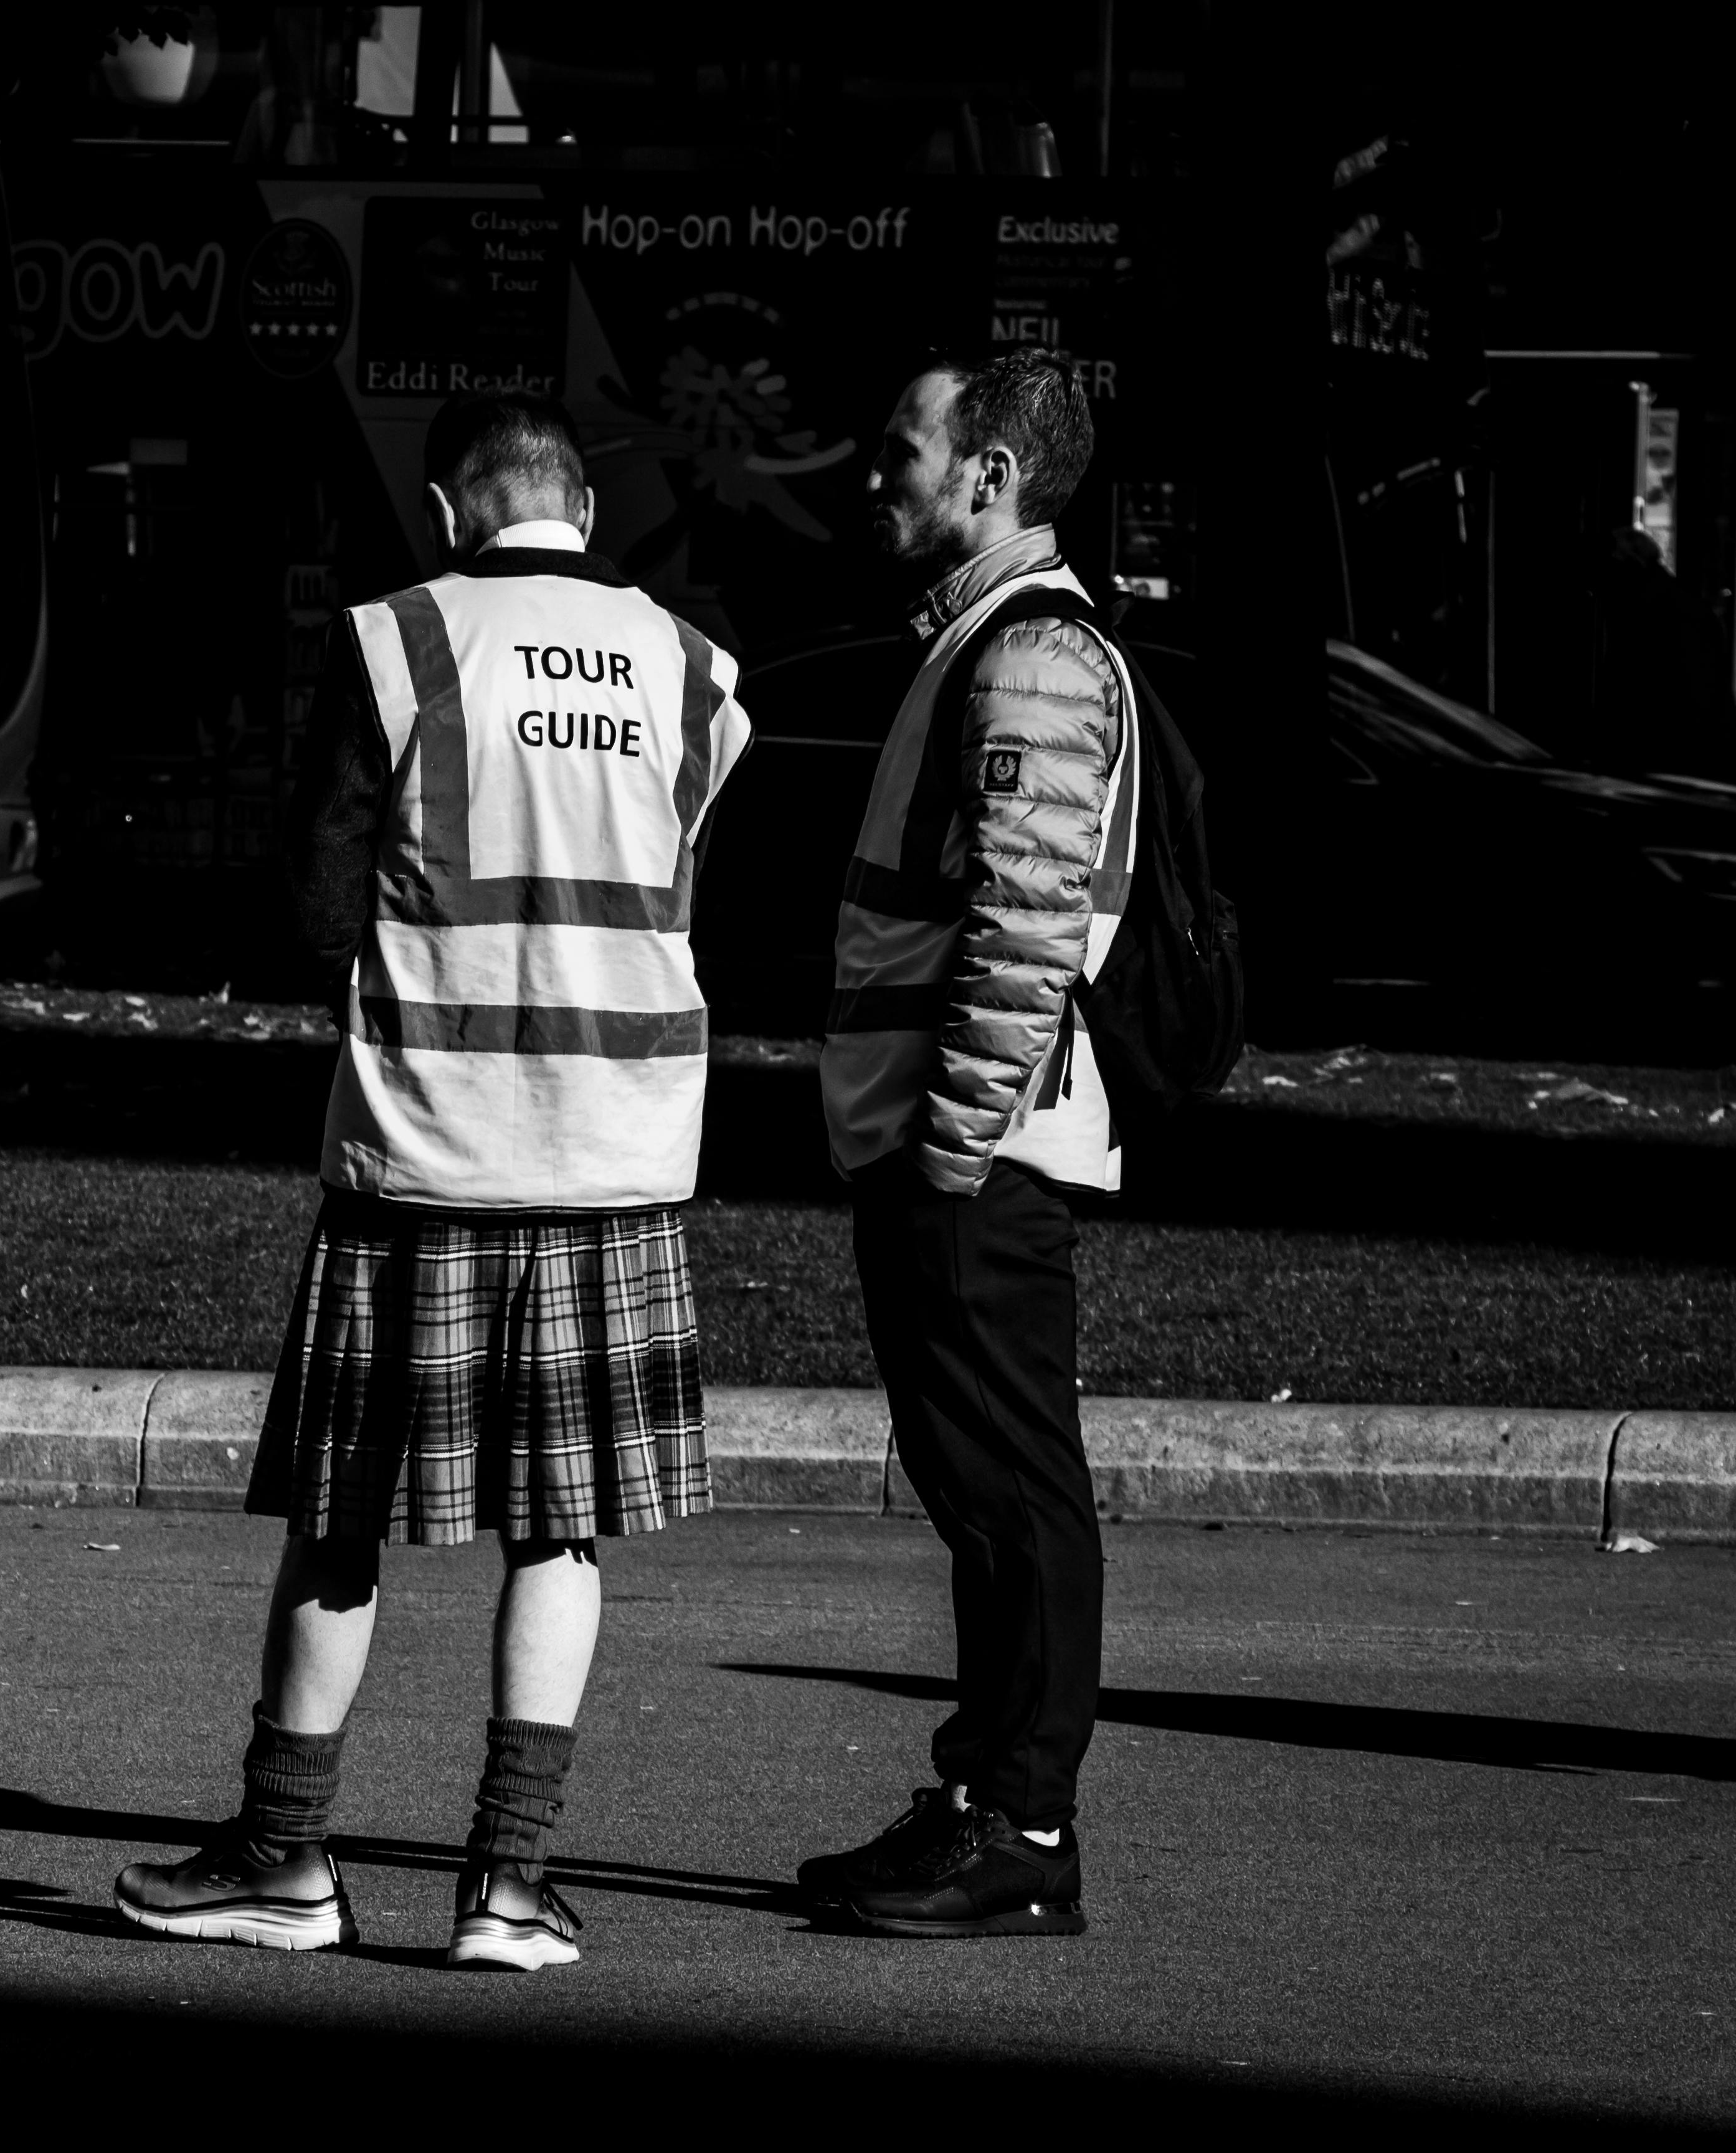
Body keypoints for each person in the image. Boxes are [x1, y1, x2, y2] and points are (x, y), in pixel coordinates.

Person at [111, 391, 752, 1971]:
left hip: (431, 1143)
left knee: (343, 1521)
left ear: (449, 509)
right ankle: (510, 1887)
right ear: (584, 516)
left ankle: (286, 1859)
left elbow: (320, 908)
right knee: (566, 1530)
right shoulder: (700, 669)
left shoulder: (401, 639)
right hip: (618, 1150)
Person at [799, 349, 1127, 1939]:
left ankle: (1023, 1829)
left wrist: (944, 1151)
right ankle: (985, 1803)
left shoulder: (1035, 657)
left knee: (1013, 1492)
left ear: (990, 478)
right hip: (946, 1150)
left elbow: (1024, 930)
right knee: (981, 1493)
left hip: (976, 1159)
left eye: (901, 450)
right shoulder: (983, 645)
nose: (877, 477)